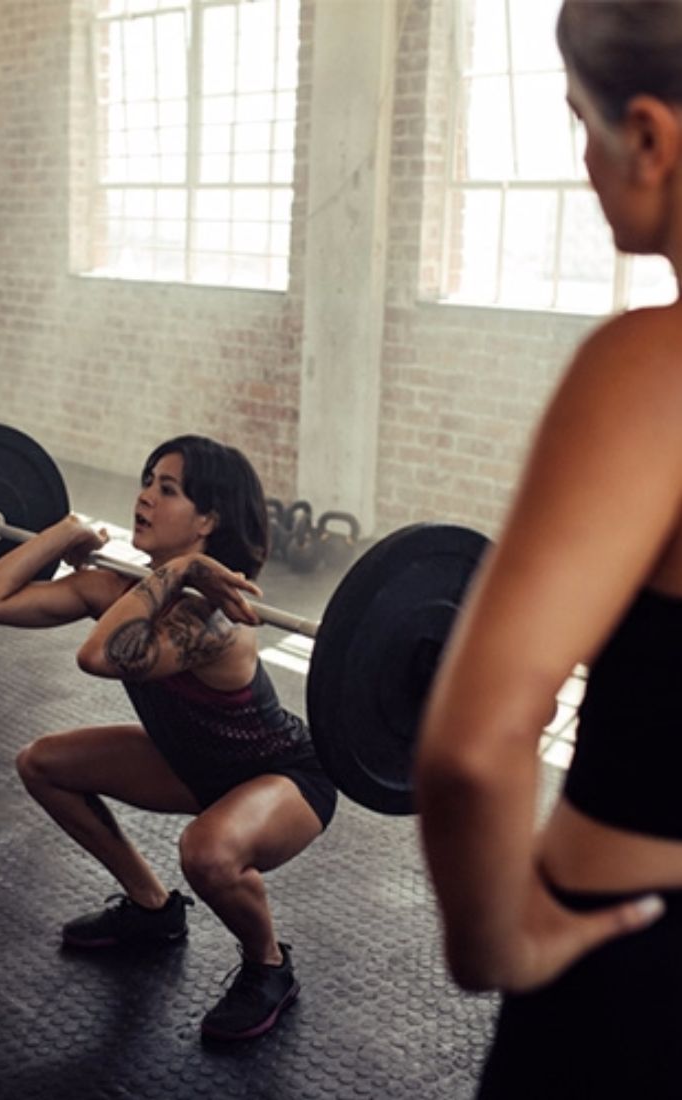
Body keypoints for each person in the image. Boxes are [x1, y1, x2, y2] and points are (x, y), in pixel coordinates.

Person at [415, 2, 682, 1097]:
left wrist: (493, 944)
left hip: (631, 978)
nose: (582, 159)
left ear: (651, 137)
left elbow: (474, 745)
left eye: (581, 121)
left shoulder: (652, 368)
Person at [0, 434, 337, 1042]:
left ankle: (269, 964)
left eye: (168, 489)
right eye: (146, 481)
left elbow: (99, 655)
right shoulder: (116, 590)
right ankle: (153, 909)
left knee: (207, 853)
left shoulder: (213, 621)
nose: (144, 497)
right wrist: (63, 530)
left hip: (282, 776)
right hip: (189, 762)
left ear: (207, 520)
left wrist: (184, 570)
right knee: (43, 765)